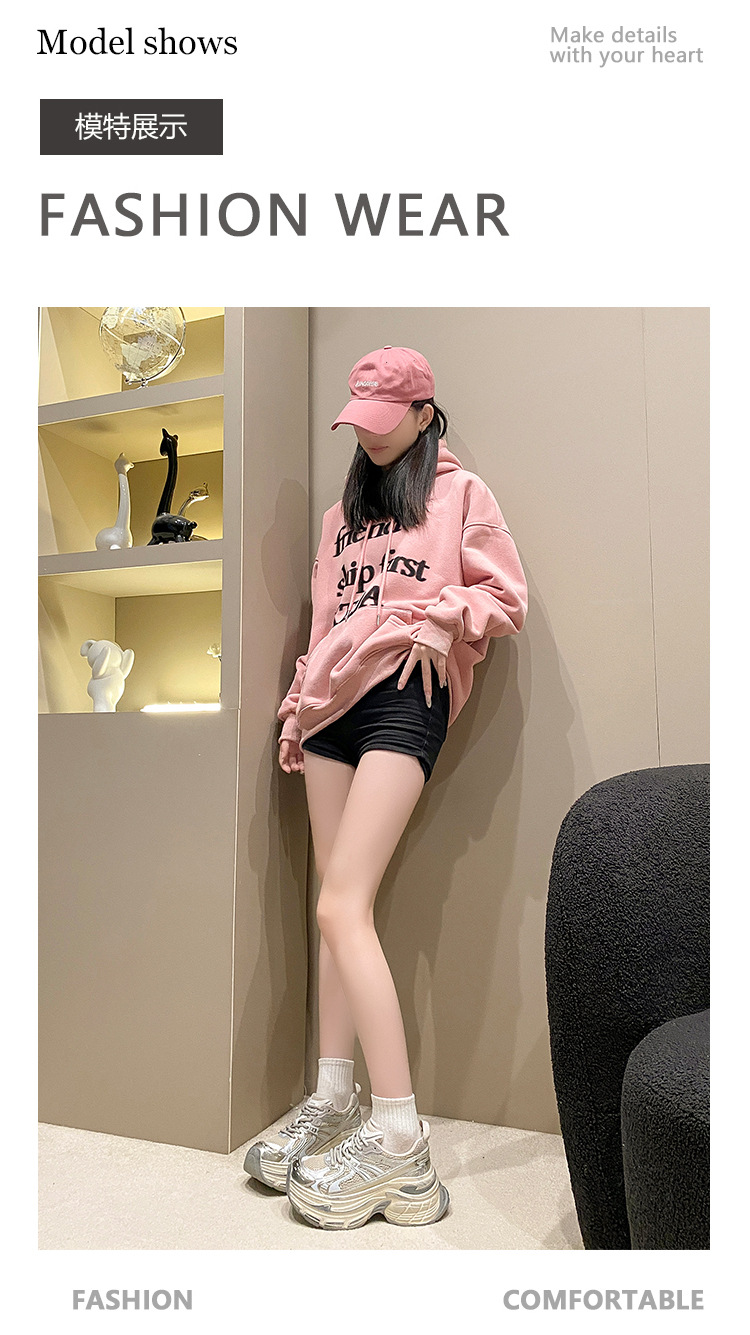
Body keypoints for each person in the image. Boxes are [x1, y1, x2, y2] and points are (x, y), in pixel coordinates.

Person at [244, 345, 528, 1230]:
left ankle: (403, 1143)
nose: (368, 437)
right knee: (332, 908)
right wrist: (297, 708)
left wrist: (447, 620)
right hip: (330, 708)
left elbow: (506, 595)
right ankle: (335, 1098)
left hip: (406, 691)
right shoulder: (341, 518)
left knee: (343, 906)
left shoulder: (460, 493)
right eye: (358, 423)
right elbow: (326, 622)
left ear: (422, 413)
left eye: (383, 420)